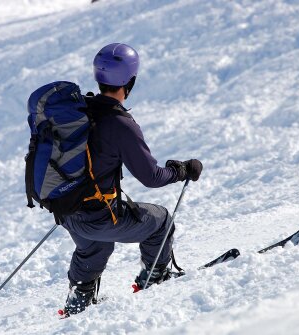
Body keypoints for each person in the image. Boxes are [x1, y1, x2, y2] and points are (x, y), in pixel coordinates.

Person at [59, 43, 202, 316]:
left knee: (96, 245)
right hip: (95, 216)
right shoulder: (120, 124)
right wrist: (181, 170)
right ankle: (155, 277)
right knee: (160, 220)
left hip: (67, 210)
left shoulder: (81, 112)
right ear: (130, 81)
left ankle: (79, 299)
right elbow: (151, 176)